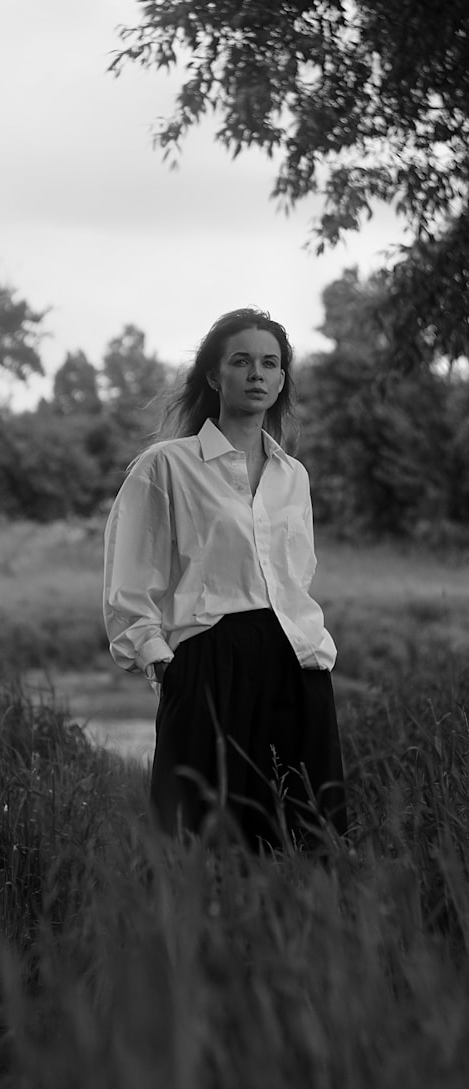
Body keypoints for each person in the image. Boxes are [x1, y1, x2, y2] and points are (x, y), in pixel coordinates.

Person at [103, 307, 347, 850]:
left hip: (297, 663)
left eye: (270, 363)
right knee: (197, 842)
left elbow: (295, 577)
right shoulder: (167, 465)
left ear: (282, 378)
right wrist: (160, 660)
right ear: (214, 376)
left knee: (304, 840)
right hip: (210, 663)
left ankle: (298, 937)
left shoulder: (293, 475)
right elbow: (130, 574)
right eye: (242, 361)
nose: (257, 374)